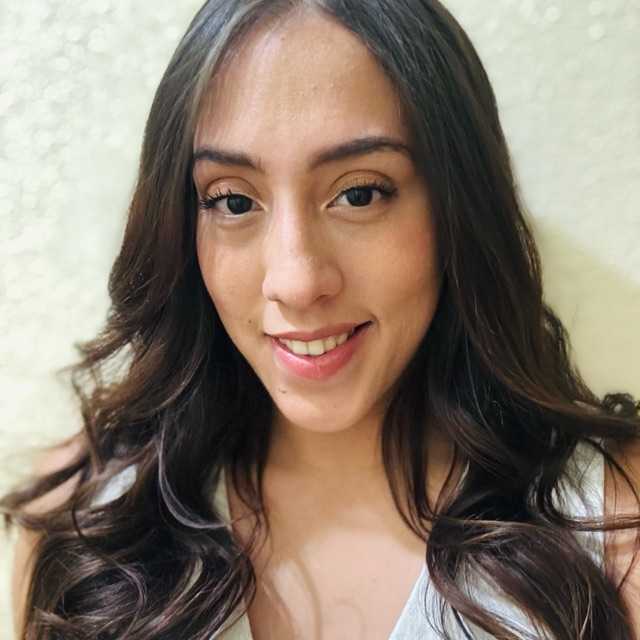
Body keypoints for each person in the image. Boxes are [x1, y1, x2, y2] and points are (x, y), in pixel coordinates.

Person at [3, 1, 640, 638]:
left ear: (459, 207)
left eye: (359, 194)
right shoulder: (82, 527)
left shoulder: (612, 522)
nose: (297, 281)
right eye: (233, 201)